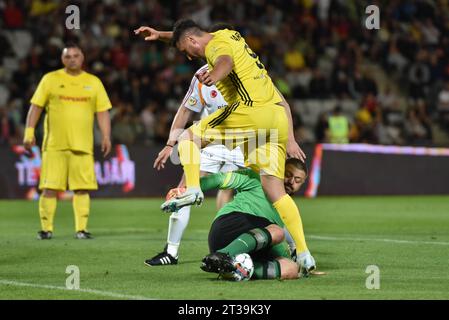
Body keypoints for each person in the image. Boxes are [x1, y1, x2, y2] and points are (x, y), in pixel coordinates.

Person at [134, 20, 315, 273]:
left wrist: (214, 76)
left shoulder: (216, 49)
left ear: (193, 41)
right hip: (275, 118)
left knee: (186, 139)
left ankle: (194, 189)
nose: (188, 56)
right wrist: (162, 35)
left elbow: (224, 62)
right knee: (275, 189)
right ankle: (304, 252)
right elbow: (191, 37)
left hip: (250, 112)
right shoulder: (228, 34)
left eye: (186, 51)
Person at [145, 64, 245, 266]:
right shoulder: (202, 75)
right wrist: (169, 144)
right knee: (184, 190)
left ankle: (292, 248)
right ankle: (171, 252)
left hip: (246, 141)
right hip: (212, 141)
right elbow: (185, 110)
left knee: (265, 192)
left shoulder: (245, 67)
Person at [23, 43, 112, 240]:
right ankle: (46, 229)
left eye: (76, 56)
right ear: (62, 59)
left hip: (83, 145)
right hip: (54, 145)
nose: (72, 59)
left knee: (82, 188)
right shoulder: (50, 79)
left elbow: (103, 112)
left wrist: (106, 136)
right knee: (49, 188)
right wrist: (29, 132)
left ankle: (81, 229)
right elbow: (36, 107)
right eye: (68, 56)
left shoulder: (93, 82)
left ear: (82, 58)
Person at [167, 158, 308, 280]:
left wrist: (292, 262)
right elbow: (219, 179)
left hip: (255, 243)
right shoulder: (256, 177)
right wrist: (188, 189)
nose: (291, 181)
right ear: (279, 171)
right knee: (278, 232)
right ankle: (222, 255)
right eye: (288, 175)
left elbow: (274, 244)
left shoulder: (286, 207)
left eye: (297, 180)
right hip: (230, 225)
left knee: (291, 268)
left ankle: (233, 269)